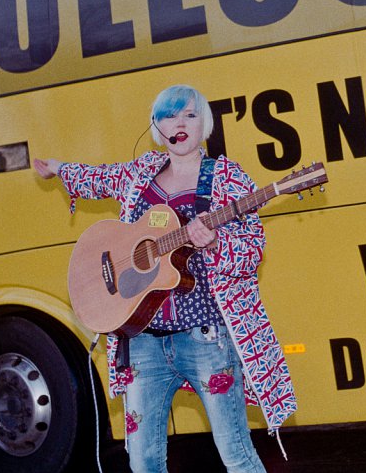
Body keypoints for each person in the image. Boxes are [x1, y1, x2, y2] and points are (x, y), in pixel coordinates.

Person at [34, 84, 296, 473]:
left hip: (206, 338)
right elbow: (101, 177)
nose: (180, 123)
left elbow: (252, 248)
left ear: (203, 122)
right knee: (143, 462)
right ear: (157, 126)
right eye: (170, 116)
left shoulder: (226, 178)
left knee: (236, 455)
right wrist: (60, 169)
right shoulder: (142, 173)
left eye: (190, 114)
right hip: (142, 343)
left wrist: (214, 244)